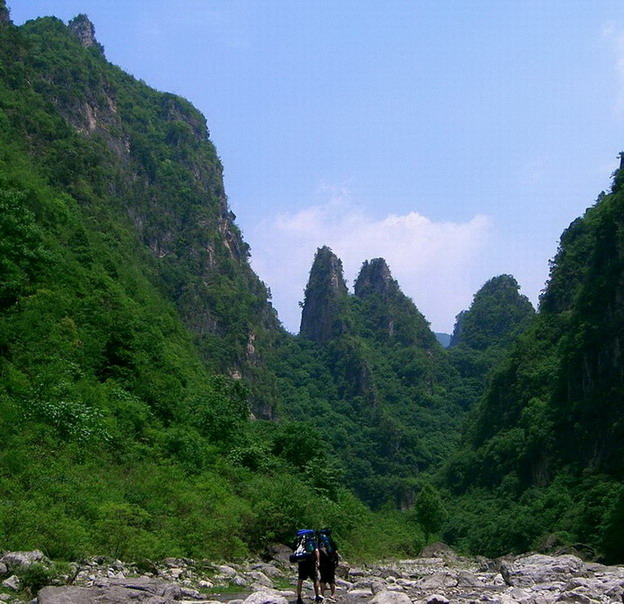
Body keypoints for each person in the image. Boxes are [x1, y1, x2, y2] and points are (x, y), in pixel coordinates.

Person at [294, 531, 322, 604]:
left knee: (300, 580)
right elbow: (316, 551)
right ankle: (317, 596)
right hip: (311, 563)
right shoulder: (313, 541)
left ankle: (299, 598)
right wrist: (318, 561)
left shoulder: (300, 541)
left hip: (302, 563)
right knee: (315, 579)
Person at [317, 528, 339, 602]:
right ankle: (332, 595)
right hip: (331, 563)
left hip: (322, 563)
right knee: (331, 579)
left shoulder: (319, 542)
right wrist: (337, 561)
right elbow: (336, 552)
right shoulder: (332, 542)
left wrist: (317, 561)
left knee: (323, 578)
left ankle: (322, 594)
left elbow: (317, 552)